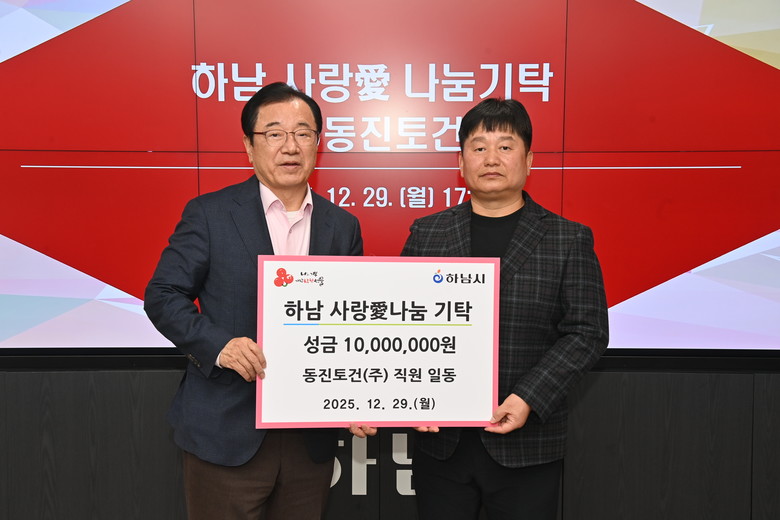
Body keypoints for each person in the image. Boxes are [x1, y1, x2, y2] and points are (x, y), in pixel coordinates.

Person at [144, 82, 374, 520]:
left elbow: (352, 323)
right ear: (249, 147)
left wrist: (357, 396)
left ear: (318, 144)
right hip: (227, 428)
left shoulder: (342, 226)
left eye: (303, 133)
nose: (290, 146)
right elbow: (163, 295)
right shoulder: (209, 214)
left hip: (310, 434)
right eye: (274, 133)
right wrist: (220, 345)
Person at [401, 97, 609, 519]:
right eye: (478, 147)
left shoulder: (568, 239)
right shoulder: (427, 234)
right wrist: (410, 398)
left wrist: (528, 397)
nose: (491, 158)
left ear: (528, 161)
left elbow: (587, 332)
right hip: (441, 442)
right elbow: (399, 323)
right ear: (461, 163)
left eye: (506, 146)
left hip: (527, 444)